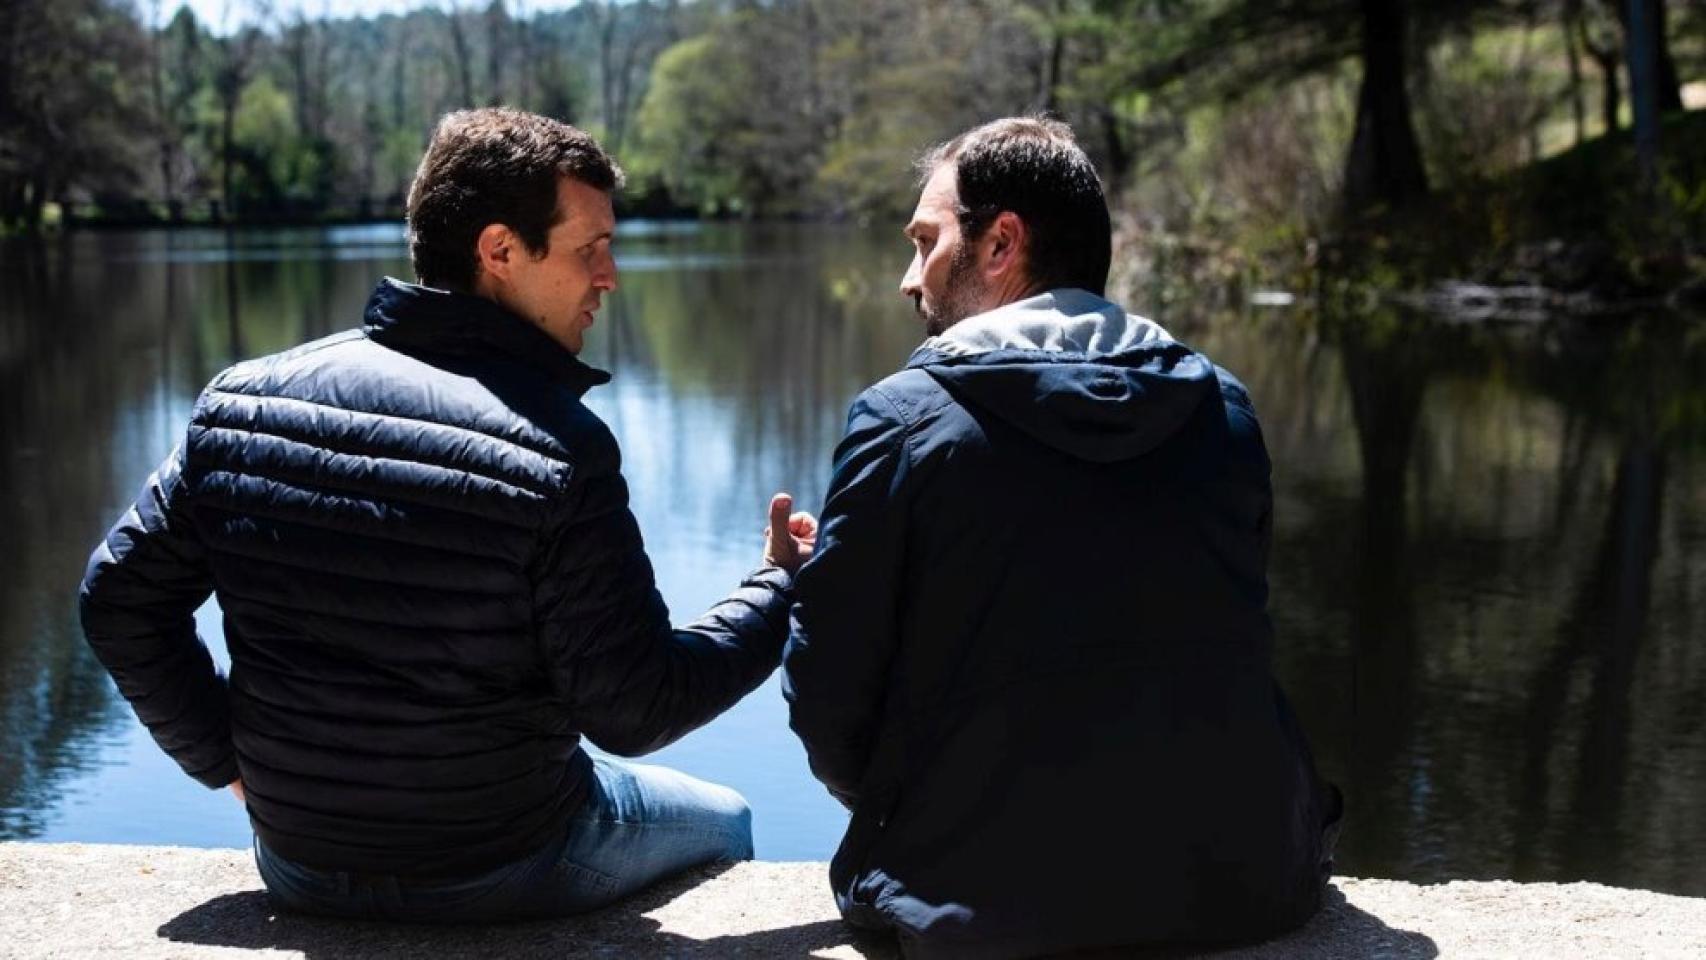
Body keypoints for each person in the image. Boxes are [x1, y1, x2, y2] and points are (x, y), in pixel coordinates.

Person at [78, 107, 817, 923]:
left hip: (299, 860)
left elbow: (119, 596)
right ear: (499, 251)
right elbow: (636, 710)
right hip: (503, 861)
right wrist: (779, 585)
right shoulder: (556, 447)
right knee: (730, 820)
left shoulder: (241, 401)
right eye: (589, 250)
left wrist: (223, 758)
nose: (609, 276)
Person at [782, 117, 1341, 958]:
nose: (908, 278)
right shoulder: (1223, 411)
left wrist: (915, 799)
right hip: (1242, 887)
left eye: (925, 241)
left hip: (973, 901)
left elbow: (830, 699)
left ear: (1001, 242)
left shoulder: (902, 423)